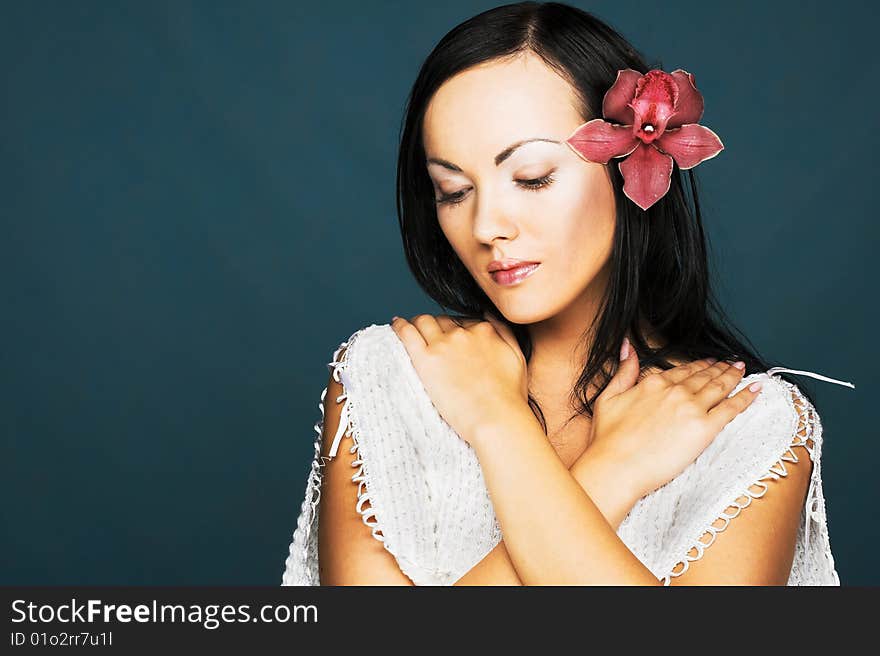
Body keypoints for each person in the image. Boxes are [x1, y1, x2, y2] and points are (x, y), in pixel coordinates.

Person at [281, 1, 854, 586]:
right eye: (453, 190)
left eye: (532, 178)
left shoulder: (744, 425)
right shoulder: (390, 378)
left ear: (630, 167)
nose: (486, 227)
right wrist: (605, 470)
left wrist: (501, 430)